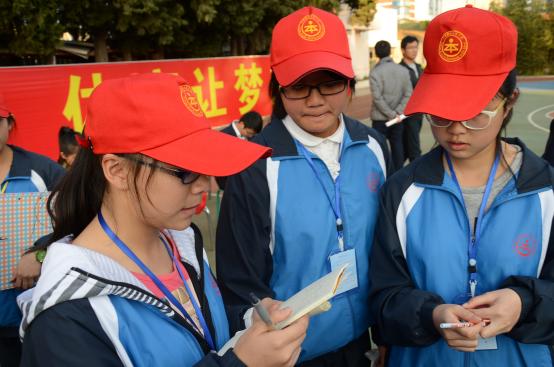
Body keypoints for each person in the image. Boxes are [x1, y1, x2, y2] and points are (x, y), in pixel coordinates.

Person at [18, 73, 309, 367]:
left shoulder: (182, 241)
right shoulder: (65, 320)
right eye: (185, 170)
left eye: (205, 166)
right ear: (117, 171)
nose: (205, 186)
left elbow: (198, 328)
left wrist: (250, 319)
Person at [368, 6, 554, 366]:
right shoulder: (401, 191)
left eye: (475, 113)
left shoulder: (546, 190)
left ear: (510, 101)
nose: (454, 128)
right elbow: (382, 299)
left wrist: (524, 302)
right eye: (440, 110)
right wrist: (430, 316)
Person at [216, 7, 393, 367]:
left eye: (329, 82)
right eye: (298, 85)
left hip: (363, 345)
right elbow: (240, 284)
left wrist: (388, 333)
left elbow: (389, 253)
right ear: (278, 87)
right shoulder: (254, 166)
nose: (314, 100)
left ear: (349, 80)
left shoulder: (375, 146)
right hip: (291, 355)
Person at [0, 90, 65, 367]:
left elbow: (83, 222)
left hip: (30, 315)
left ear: (9, 124)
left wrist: (40, 253)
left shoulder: (44, 171)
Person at [370, 40, 413, 173]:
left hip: (380, 119)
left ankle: (382, 174)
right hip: (398, 118)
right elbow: (408, 94)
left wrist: (389, 113)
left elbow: (377, 98)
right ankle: (397, 175)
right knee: (397, 147)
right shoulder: (403, 71)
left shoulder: (375, 72)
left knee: (379, 149)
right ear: (390, 52)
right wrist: (396, 113)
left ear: (376, 54)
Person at [216, 111, 263, 190]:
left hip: (246, 175)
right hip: (228, 179)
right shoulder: (223, 136)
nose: (251, 136)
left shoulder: (251, 134)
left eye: (253, 134)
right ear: (242, 124)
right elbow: (219, 166)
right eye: (249, 133)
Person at [399, 35, 424, 163]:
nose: (414, 50)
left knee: (407, 147)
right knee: (414, 148)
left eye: (416, 47)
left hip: (419, 113)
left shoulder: (419, 67)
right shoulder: (399, 69)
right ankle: (417, 176)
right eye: (411, 47)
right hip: (407, 114)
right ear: (403, 50)